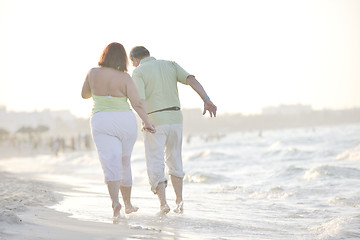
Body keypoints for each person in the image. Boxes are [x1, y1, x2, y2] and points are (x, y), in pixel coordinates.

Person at [129, 46, 217, 214]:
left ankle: (163, 203)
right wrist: (207, 99)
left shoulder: (139, 71)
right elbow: (191, 79)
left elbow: (139, 101)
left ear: (134, 59)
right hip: (176, 118)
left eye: (132, 63)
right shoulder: (170, 64)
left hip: (155, 120)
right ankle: (179, 202)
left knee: (155, 161)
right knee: (175, 159)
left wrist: (145, 121)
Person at [81, 42, 155, 219]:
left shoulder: (92, 72)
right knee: (124, 162)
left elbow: (84, 95)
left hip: (101, 120)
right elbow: (137, 103)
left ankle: (115, 203)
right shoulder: (125, 78)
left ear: (104, 55)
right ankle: (128, 204)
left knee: (110, 162)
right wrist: (147, 122)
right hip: (125, 121)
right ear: (123, 59)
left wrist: (100, 91)